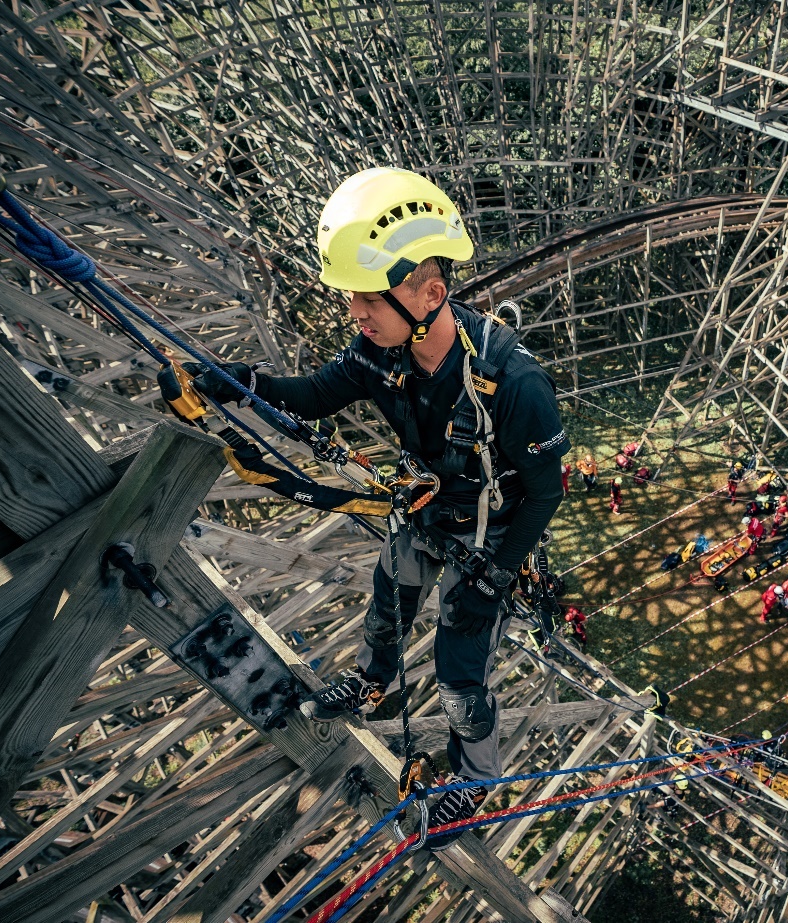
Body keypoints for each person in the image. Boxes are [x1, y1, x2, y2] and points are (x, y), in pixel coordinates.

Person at [186, 169, 570, 849]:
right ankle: (371, 681)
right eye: (353, 301)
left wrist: (497, 574)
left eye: (368, 301)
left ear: (430, 294)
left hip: (492, 532)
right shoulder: (378, 353)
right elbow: (312, 396)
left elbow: (546, 492)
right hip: (428, 507)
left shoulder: (514, 383)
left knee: (460, 674)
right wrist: (240, 383)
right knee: (389, 593)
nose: (355, 316)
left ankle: (475, 785)